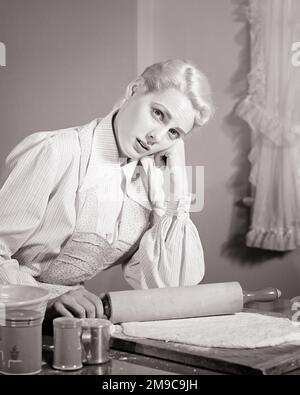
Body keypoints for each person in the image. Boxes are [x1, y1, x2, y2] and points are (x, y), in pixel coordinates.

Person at [0, 59, 214, 320]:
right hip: (14, 324)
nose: (156, 137)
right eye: (158, 114)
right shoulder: (56, 151)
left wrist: (177, 178)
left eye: (173, 133)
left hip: (68, 327)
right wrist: (47, 297)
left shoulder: (150, 182)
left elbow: (172, 291)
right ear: (134, 90)